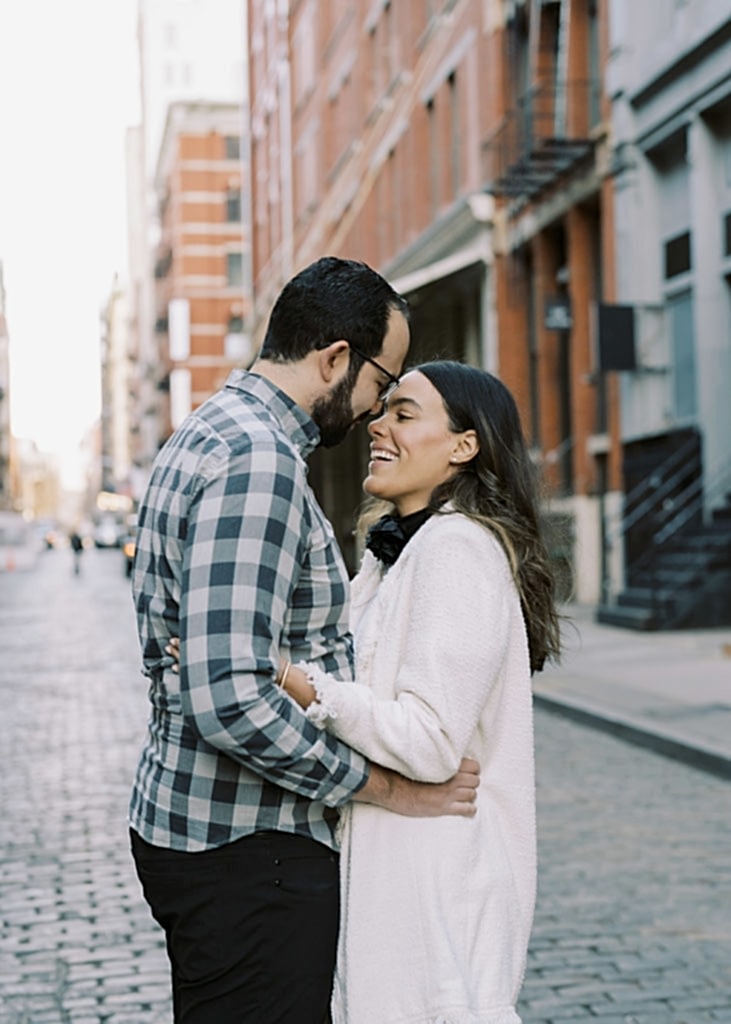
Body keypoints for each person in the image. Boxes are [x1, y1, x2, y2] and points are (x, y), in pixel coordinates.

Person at [127, 258, 480, 1024]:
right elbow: (227, 697)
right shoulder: (259, 462)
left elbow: (211, 666)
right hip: (252, 849)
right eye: (379, 383)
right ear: (334, 359)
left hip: (210, 836)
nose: (372, 411)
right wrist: (383, 788)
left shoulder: (212, 431)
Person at [273, 361, 562, 1023]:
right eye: (384, 411)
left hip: (436, 898)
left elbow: (431, 740)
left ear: (463, 446)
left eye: (404, 414)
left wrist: (301, 685)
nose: (379, 424)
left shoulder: (457, 548)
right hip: (397, 887)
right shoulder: (393, 553)